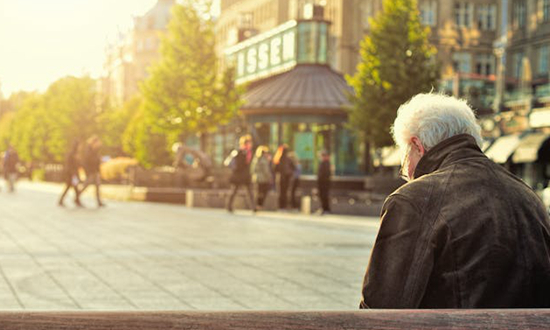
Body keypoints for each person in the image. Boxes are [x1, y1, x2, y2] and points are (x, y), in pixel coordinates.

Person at [360, 93, 550, 309]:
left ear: (417, 146)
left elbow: (381, 309)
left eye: (404, 158)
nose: (406, 172)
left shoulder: (413, 200)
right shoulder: (528, 196)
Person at [226, 134, 256, 213]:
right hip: (239, 175)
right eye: (249, 143)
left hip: (245, 175)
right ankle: (229, 206)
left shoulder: (249, 152)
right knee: (234, 190)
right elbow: (239, 164)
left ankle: (253, 207)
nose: (250, 144)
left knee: (249, 191)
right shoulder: (240, 152)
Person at [79, 136, 105, 207]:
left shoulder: (95, 150)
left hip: (95, 172)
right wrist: (88, 172)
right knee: (86, 185)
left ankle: (99, 201)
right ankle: (77, 196)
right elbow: (86, 162)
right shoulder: (88, 151)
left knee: (97, 186)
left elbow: (96, 161)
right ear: (93, 143)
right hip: (91, 172)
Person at [58, 141, 83, 207]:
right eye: (80, 145)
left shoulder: (76, 154)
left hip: (74, 174)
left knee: (72, 187)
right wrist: (72, 173)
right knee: (74, 187)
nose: (81, 147)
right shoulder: (71, 154)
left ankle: (62, 200)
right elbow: (69, 165)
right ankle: (77, 201)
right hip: (71, 174)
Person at [273, 144, 294, 209]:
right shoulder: (288, 159)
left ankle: (281, 205)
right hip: (287, 177)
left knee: (281, 191)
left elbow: (275, 169)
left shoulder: (278, 158)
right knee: (285, 191)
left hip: (281, 177)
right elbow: (293, 167)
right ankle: (284, 205)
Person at [317, 150, 331, 214]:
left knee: (324, 195)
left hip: (324, 182)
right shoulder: (324, 163)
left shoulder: (326, 163)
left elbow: (325, 174)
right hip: (322, 182)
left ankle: (325, 209)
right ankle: (324, 208)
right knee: (322, 195)